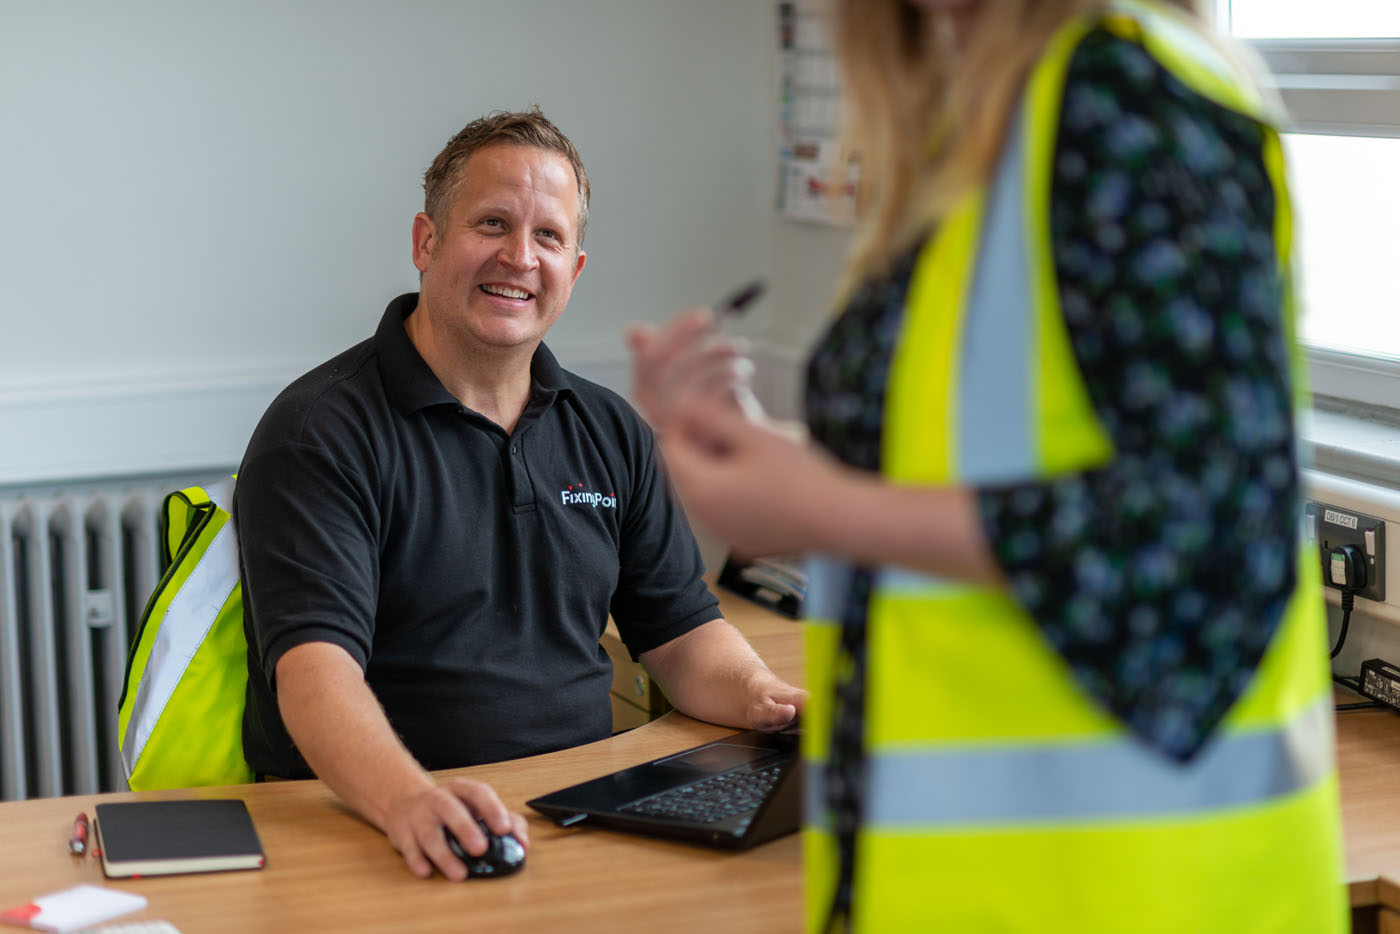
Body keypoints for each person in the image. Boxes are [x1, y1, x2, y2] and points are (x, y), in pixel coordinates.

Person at [629, 1, 1345, 930]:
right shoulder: (975, 125)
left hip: (1129, 889)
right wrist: (759, 452)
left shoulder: (1127, 104)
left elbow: (1205, 529)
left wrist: (821, 508)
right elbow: (983, 458)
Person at [234, 108, 803, 882]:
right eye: (491, 223)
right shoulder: (319, 431)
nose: (518, 257)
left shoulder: (610, 430)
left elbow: (679, 632)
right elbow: (315, 676)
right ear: (426, 243)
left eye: (547, 237)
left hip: (570, 813)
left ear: (574, 269)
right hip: (370, 819)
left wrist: (766, 696)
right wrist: (411, 799)